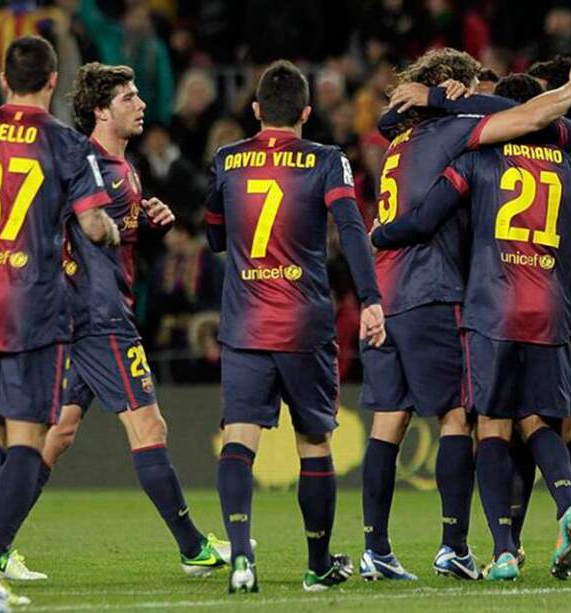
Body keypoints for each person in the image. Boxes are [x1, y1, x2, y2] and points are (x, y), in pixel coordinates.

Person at [361, 49, 571, 581]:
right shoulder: (456, 134)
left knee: (389, 425)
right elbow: (528, 115)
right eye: (472, 87)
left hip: (384, 293)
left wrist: (430, 95)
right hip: (440, 289)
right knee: (469, 418)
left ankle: (377, 549)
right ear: (456, 91)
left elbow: (394, 121)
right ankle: (457, 544)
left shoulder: (400, 140)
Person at [412, 55, 571, 580]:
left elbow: (523, 115)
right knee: (547, 423)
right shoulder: (568, 140)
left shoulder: (566, 139)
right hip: (555, 298)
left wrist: (439, 100)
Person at [11, 62, 236, 581]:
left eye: (138, 95)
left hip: (80, 316)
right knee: (148, 425)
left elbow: (107, 231)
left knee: (59, 432)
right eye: (128, 97)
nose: (141, 104)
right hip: (99, 316)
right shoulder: (87, 163)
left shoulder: (122, 169)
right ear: (100, 110)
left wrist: (144, 220)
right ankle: (193, 548)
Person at [205, 59, 385, 593]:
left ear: (257, 111)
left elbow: (215, 236)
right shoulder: (327, 160)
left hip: (244, 322)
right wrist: (371, 298)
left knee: (239, 438)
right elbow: (351, 228)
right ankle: (318, 564)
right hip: (304, 322)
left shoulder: (227, 160)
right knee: (313, 442)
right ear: (306, 112)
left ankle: (240, 557)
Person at [0, 35, 116, 583]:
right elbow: (91, 223)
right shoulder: (64, 142)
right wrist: (110, 229)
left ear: (4, 77)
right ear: (53, 80)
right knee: (28, 438)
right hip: (28, 304)